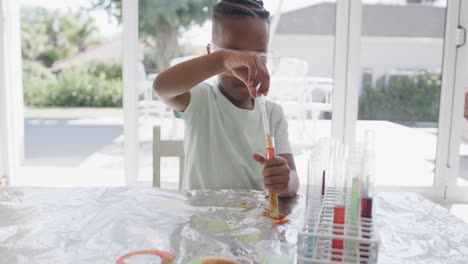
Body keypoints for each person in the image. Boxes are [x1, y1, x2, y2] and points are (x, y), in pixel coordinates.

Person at [153, 0, 299, 197]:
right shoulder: (200, 101)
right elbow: (161, 87)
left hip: (255, 223)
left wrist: (285, 181)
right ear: (210, 54)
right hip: (201, 223)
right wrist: (222, 60)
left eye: (257, 56)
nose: (246, 68)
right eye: (236, 57)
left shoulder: (273, 114)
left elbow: (293, 181)